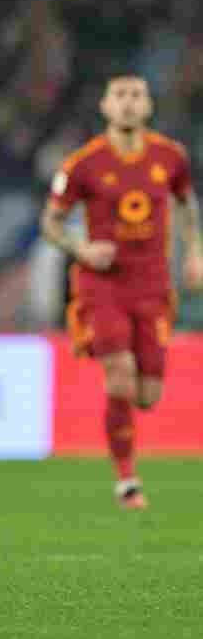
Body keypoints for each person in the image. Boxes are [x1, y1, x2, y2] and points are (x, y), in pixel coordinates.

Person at [40, 74, 203, 510]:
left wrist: (195, 252)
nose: (128, 104)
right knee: (120, 373)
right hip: (102, 285)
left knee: (148, 396)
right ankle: (127, 482)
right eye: (120, 96)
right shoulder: (83, 164)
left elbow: (187, 204)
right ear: (105, 106)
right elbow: (51, 223)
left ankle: (125, 445)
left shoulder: (171, 157)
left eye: (136, 96)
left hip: (152, 286)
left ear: (148, 106)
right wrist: (82, 248)